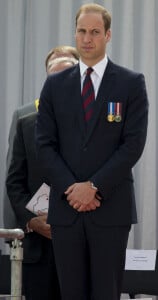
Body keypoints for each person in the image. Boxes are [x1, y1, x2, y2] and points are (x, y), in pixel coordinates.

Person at [35, 3, 148, 300]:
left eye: (95, 32)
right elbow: (44, 144)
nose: (87, 38)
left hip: (110, 209)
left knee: (106, 293)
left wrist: (94, 187)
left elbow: (133, 145)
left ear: (108, 35)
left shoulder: (130, 83)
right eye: (82, 31)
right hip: (66, 209)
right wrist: (72, 188)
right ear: (75, 33)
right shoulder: (54, 85)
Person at [5, 56, 78, 300]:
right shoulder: (27, 125)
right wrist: (30, 221)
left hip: (81, 243)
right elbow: (14, 182)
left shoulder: (95, 125)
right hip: (38, 246)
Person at [3, 45, 80, 230]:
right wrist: (30, 220)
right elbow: (15, 179)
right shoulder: (25, 119)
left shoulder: (93, 119)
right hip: (37, 234)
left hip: (80, 229)